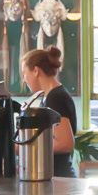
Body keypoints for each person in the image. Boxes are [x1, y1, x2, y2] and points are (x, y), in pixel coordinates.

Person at [21, 47, 76, 178]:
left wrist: (26, 147)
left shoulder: (56, 97)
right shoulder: (50, 96)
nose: (24, 79)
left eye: (24, 73)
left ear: (35, 71)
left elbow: (65, 144)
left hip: (59, 177)